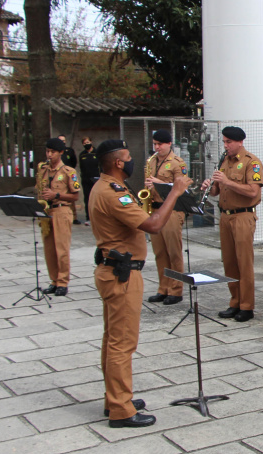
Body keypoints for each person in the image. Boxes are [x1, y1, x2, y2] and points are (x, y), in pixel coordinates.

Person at [90, 139, 189, 427]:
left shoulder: (103, 186)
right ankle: (121, 410)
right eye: (128, 156)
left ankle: (115, 399)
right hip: (121, 274)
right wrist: (175, 192)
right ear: (118, 163)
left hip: (113, 269)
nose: (132, 160)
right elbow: (153, 225)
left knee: (113, 340)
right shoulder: (113, 193)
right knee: (122, 343)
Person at [200, 126, 263, 322]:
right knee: (229, 262)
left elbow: (253, 192)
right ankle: (235, 302)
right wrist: (209, 187)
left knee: (244, 263)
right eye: (224, 142)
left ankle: (247, 306)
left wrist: (227, 182)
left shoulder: (251, 162)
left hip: (243, 216)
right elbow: (216, 191)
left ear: (240, 142)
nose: (225, 146)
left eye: (229, 142)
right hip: (225, 217)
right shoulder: (224, 161)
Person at [144, 129, 190, 305]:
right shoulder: (152, 161)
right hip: (156, 209)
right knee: (160, 252)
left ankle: (176, 290)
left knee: (173, 252)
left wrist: (159, 183)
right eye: (155, 144)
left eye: (160, 144)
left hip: (172, 210)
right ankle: (163, 288)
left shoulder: (178, 163)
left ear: (169, 144)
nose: (157, 147)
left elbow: (183, 188)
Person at [36, 138, 80, 297]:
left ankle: (63, 282)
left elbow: (75, 196)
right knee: (49, 249)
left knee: (61, 249)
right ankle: (54, 280)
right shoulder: (43, 170)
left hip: (61, 210)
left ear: (61, 152)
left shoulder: (69, 171)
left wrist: (56, 195)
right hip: (46, 212)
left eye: (52, 152)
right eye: (47, 151)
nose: (49, 155)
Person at [58, 135, 81, 224]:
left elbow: (74, 162)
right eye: (61, 140)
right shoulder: (57, 153)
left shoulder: (69, 151)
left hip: (69, 176)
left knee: (72, 196)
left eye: (64, 140)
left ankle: (74, 217)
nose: (63, 142)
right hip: (60, 177)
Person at [78, 137, 100, 226]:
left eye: (87, 142)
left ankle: (98, 218)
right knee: (87, 199)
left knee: (97, 199)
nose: (86, 144)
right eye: (84, 143)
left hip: (96, 180)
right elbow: (81, 167)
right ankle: (88, 218)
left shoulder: (97, 152)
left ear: (91, 142)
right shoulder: (82, 155)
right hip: (85, 180)